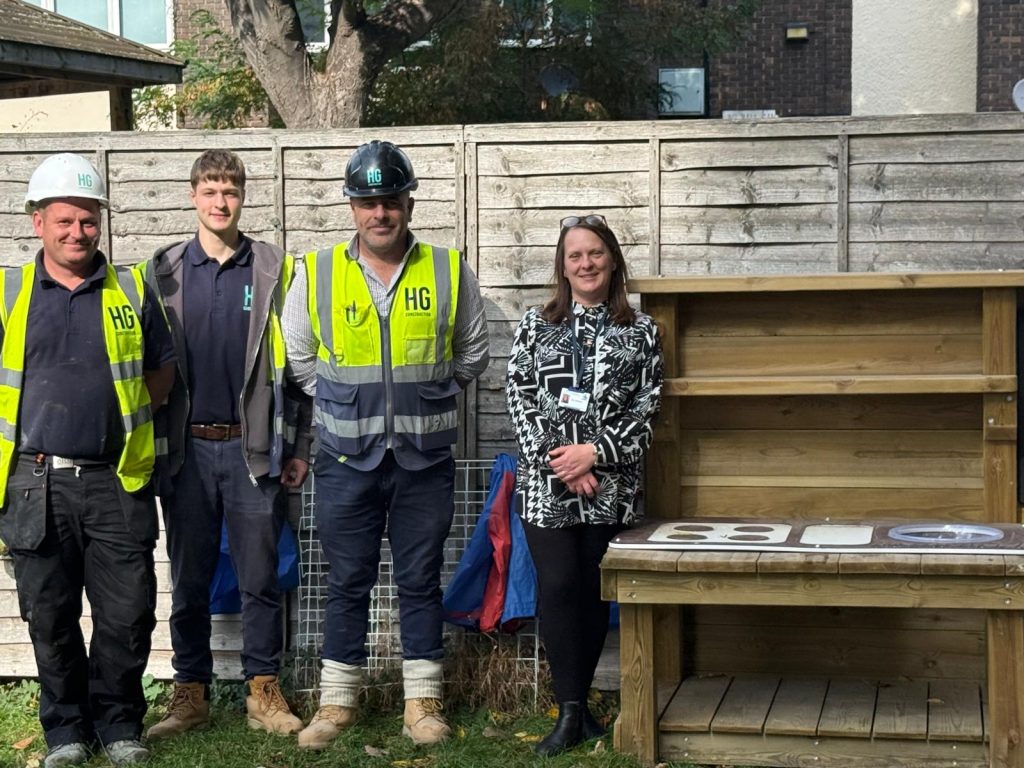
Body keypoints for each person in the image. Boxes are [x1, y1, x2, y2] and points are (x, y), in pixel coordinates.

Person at [283, 140, 489, 749]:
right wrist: (350, 407)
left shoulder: (449, 269)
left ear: (408, 202)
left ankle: (422, 705)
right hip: (345, 461)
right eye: (368, 202)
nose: (380, 213)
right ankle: (337, 705)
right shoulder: (317, 273)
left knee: (421, 579)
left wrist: (421, 400)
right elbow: (299, 359)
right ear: (352, 207)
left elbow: (472, 353)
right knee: (346, 579)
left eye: (391, 201)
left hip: (423, 462)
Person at [0, 154, 176, 767]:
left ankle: (121, 725)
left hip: (116, 479)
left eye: (89, 220)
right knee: (49, 615)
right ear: (38, 222)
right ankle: (66, 732)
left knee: (127, 613)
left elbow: (161, 373)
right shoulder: (9, 292)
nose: (79, 233)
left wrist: (114, 420)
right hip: (34, 481)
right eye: (66, 221)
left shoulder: (132, 289)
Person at [138, 150, 312, 739]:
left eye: (230, 191)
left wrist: (301, 445)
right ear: (193, 196)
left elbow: (299, 367)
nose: (220, 202)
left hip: (253, 450)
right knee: (188, 578)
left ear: (243, 197)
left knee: (260, 576)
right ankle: (190, 693)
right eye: (210, 191)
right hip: (185, 452)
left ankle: (264, 690)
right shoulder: (161, 272)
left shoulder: (273, 268)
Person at [505, 214, 663, 757]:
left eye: (595, 253)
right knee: (560, 586)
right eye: (575, 256)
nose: (586, 263)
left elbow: (647, 410)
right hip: (546, 488)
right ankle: (568, 708)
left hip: (610, 489)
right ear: (563, 266)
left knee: (596, 594)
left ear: (612, 259)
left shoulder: (640, 332)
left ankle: (582, 710)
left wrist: (594, 454)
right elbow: (520, 400)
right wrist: (563, 464)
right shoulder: (536, 325)